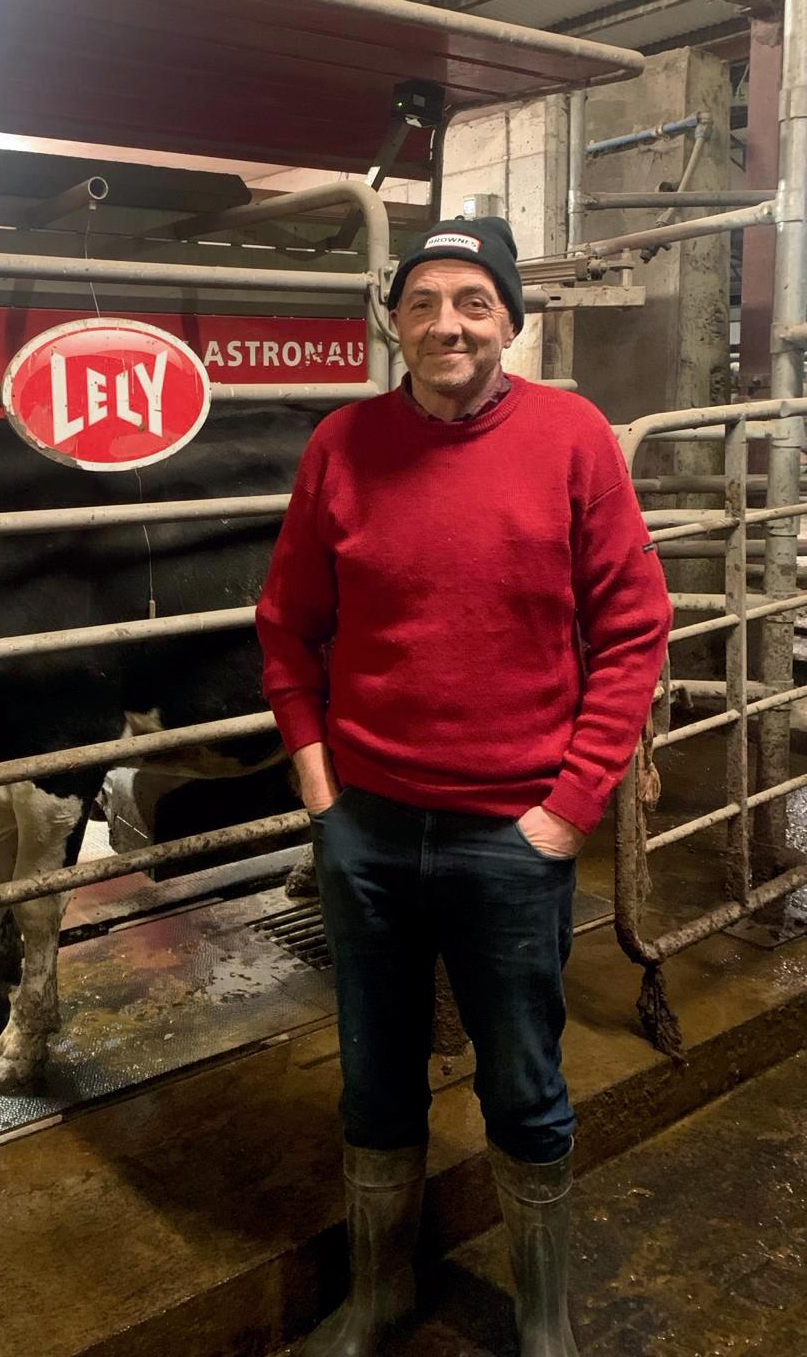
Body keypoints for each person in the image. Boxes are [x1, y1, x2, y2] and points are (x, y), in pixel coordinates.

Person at [256, 217, 671, 1357]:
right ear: (396, 321)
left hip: (513, 834)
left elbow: (634, 629)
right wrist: (320, 786)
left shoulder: (573, 437)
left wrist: (569, 809)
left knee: (525, 1081)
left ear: (509, 323)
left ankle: (542, 1319)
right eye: (425, 302)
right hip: (369, 830)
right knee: (373, 1076)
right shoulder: (343, 444)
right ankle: (379, 1295)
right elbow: (288, 623)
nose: (449, 324)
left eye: (474, 302)